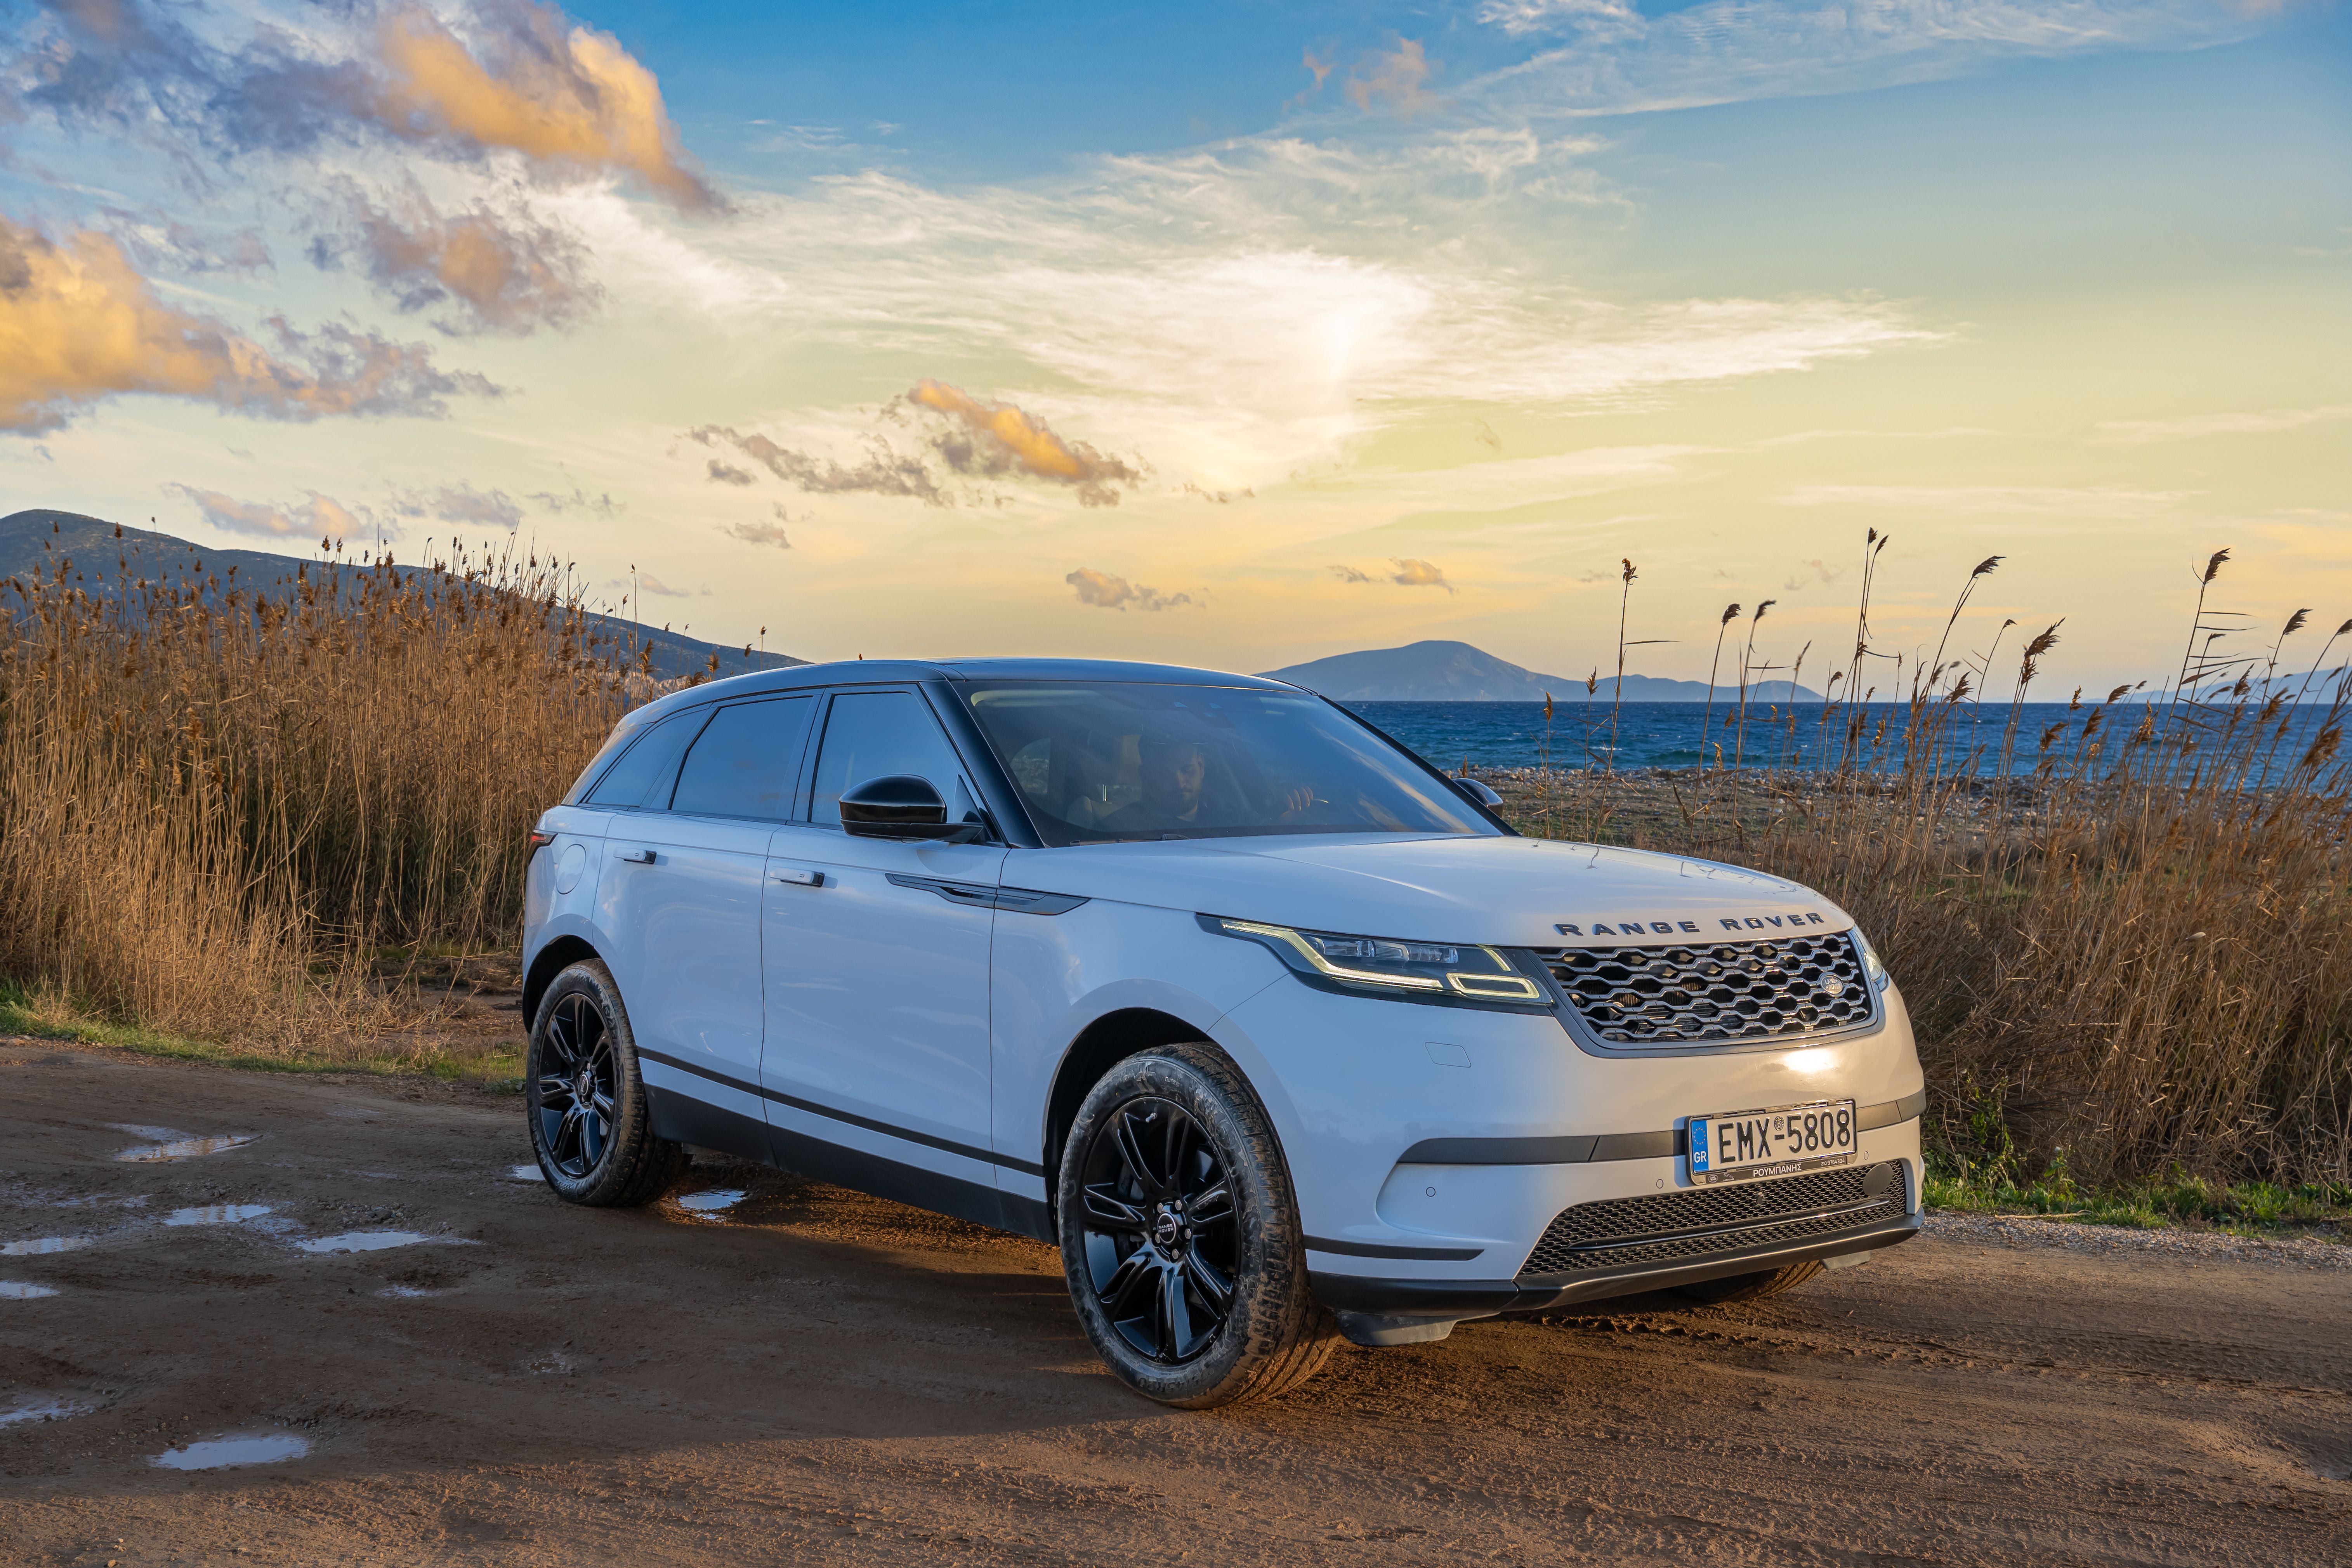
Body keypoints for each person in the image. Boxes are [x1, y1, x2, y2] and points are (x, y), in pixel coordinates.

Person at [1098, 735, 1314, 835]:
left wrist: (1282, 828)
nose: (1179, 782)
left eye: (1187, 770)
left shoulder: (1234, 820)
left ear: (1201, 767)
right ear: (1145, 776)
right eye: (1164, 774)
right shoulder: (1121, 831)